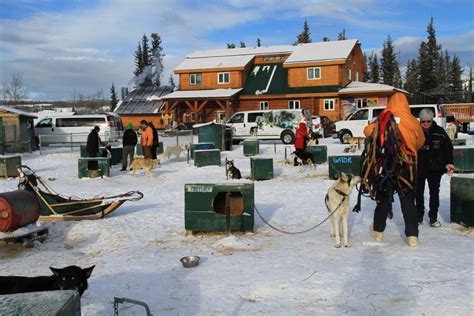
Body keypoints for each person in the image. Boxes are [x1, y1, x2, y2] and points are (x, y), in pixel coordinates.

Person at [363, 92, 425, 247]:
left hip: (386, 164)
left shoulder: (383, 118)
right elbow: (421, 142)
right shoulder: (411, 120)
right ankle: (412, 236)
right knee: (408, 200)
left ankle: (378, 231)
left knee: (383, 199)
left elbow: (367, 131)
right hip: (407, 165)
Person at [416, 109, 454, 227]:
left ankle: (433, 218)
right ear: (420, 121)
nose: (426, 123)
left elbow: (448, 149)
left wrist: (449, 163)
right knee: (418, 194)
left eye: (428, 121)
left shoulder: (440, 132)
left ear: (432, 120)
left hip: (435, 168)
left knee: (434, 194)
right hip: (419, 167)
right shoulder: (415, 131)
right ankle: (419, 216)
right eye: (423, 121)